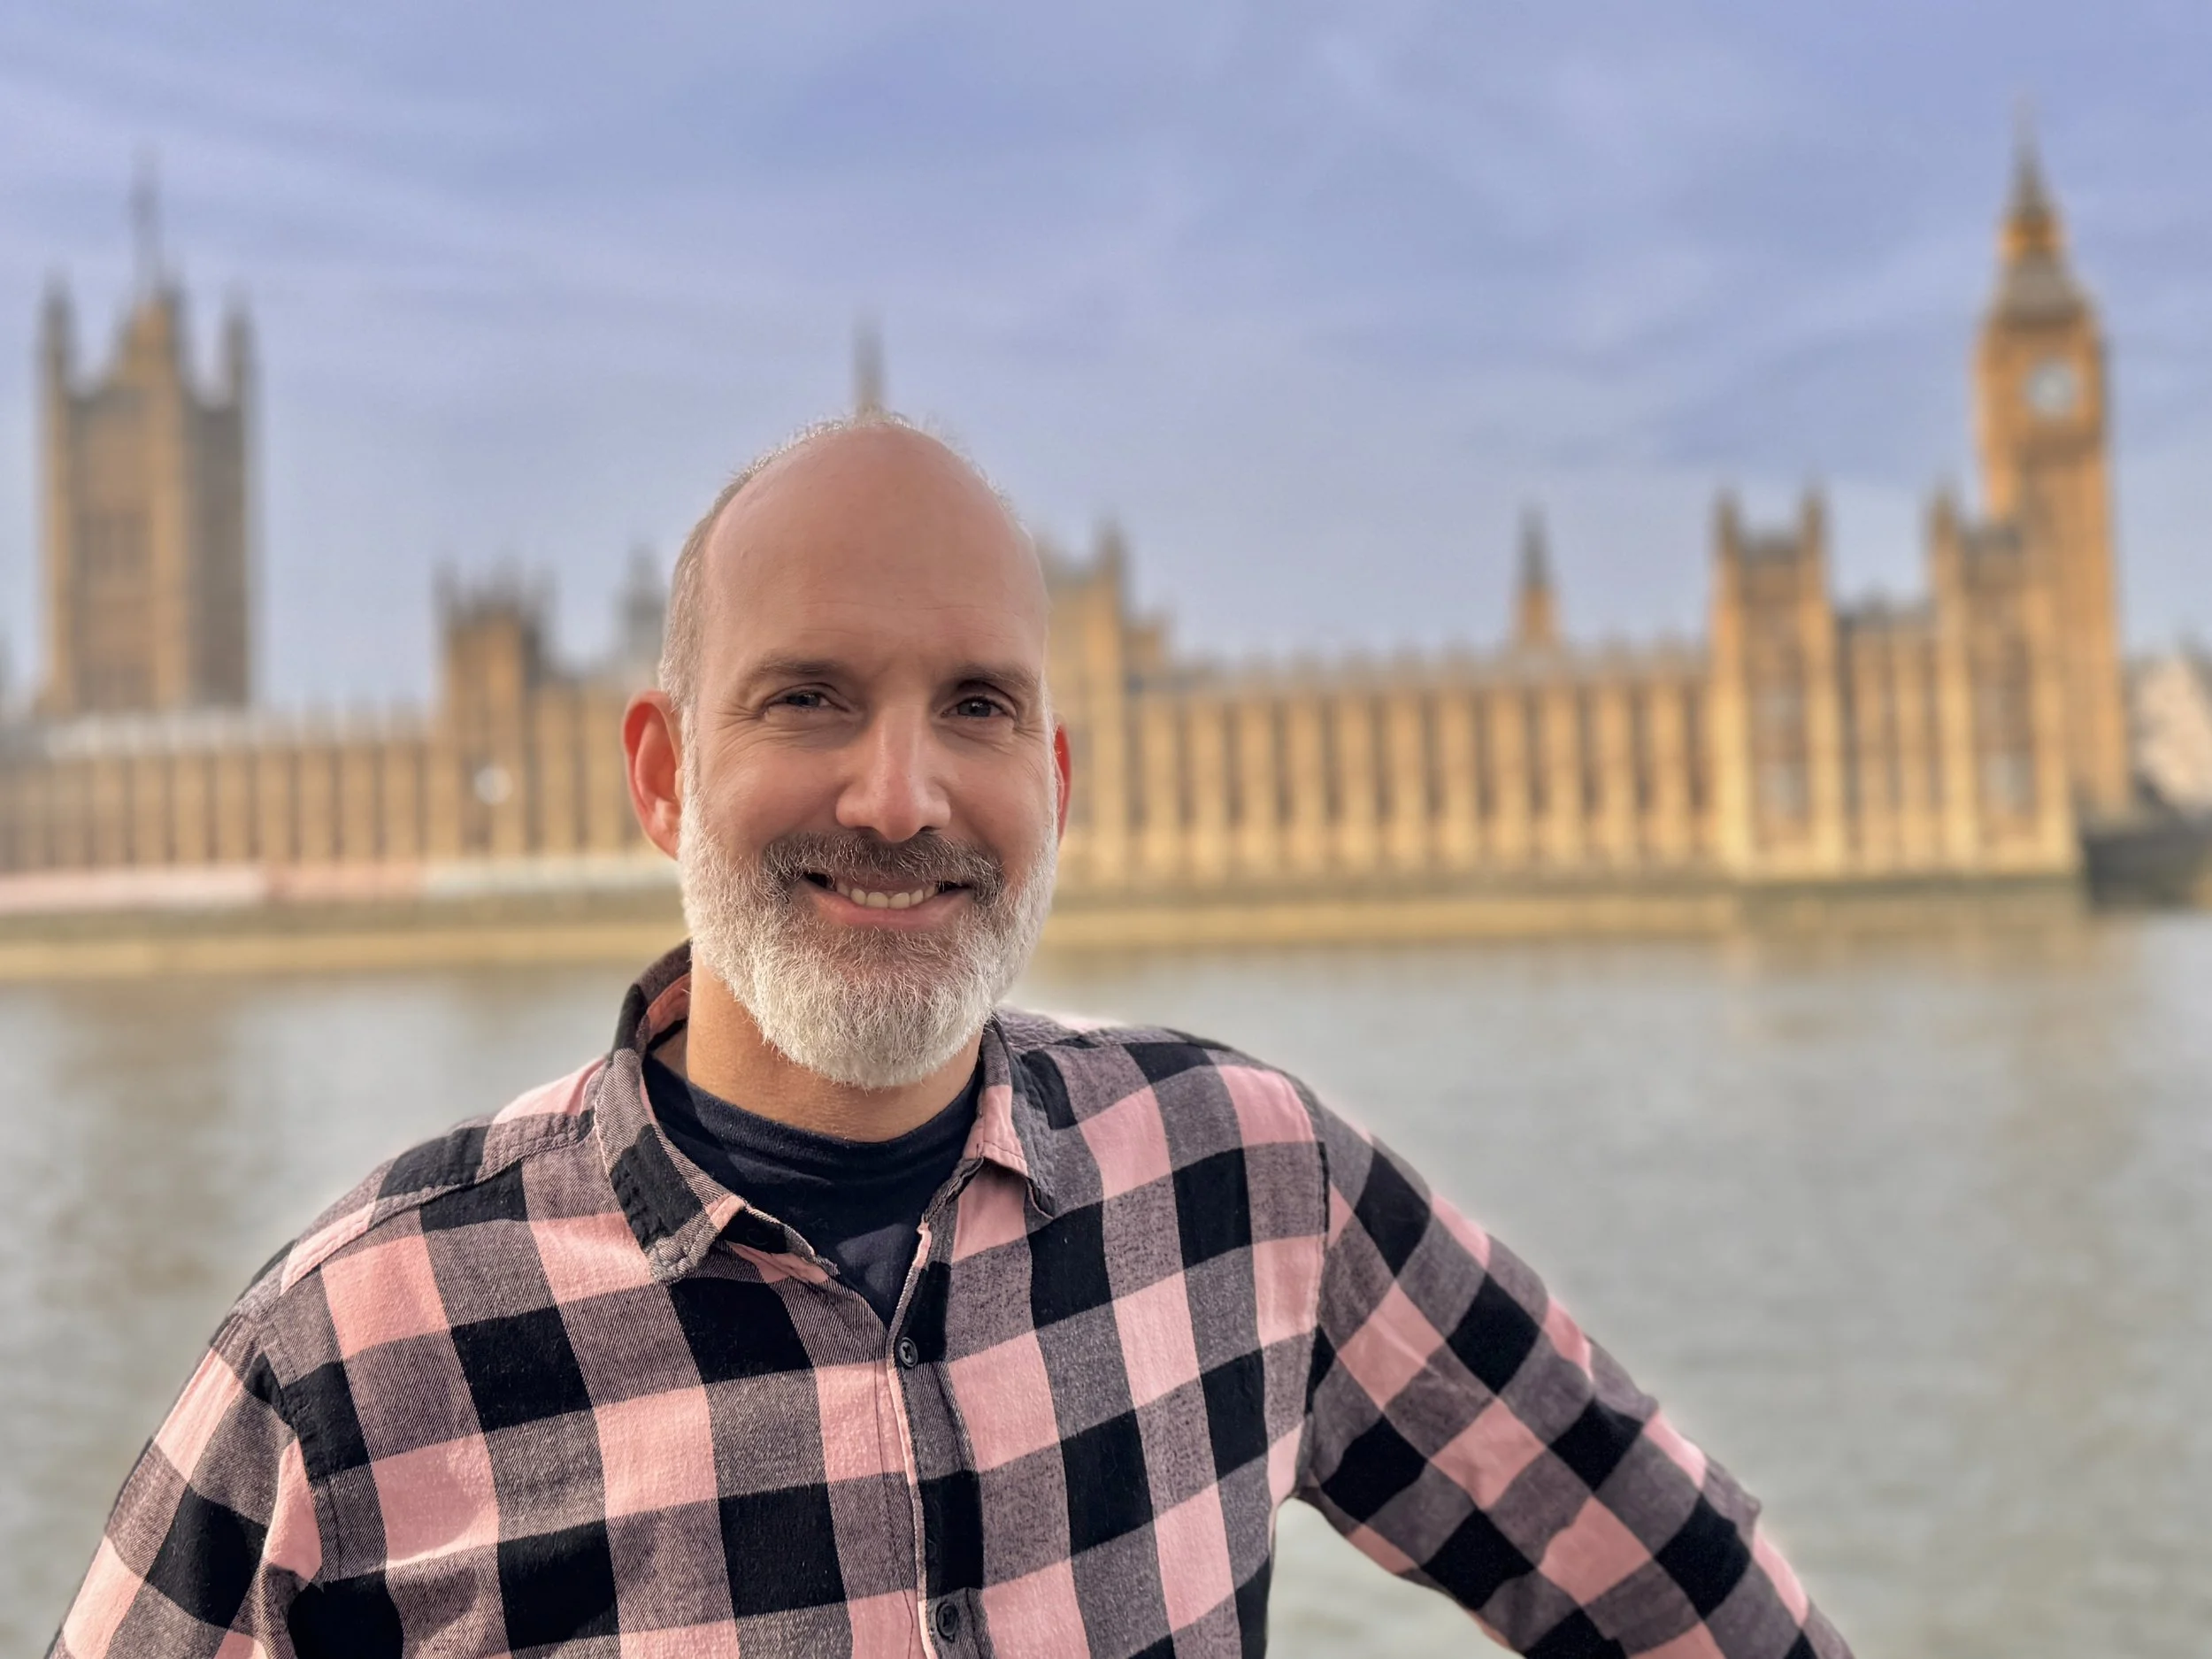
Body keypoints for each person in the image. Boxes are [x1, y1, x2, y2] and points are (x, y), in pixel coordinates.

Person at [55, 418, 1851, 1658]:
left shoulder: (1242, 1184)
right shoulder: (354, 1350)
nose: (899, 792)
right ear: (661, 772)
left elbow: (1681, 1584)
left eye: (974, 706)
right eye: (808, 696)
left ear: (1053, 781)